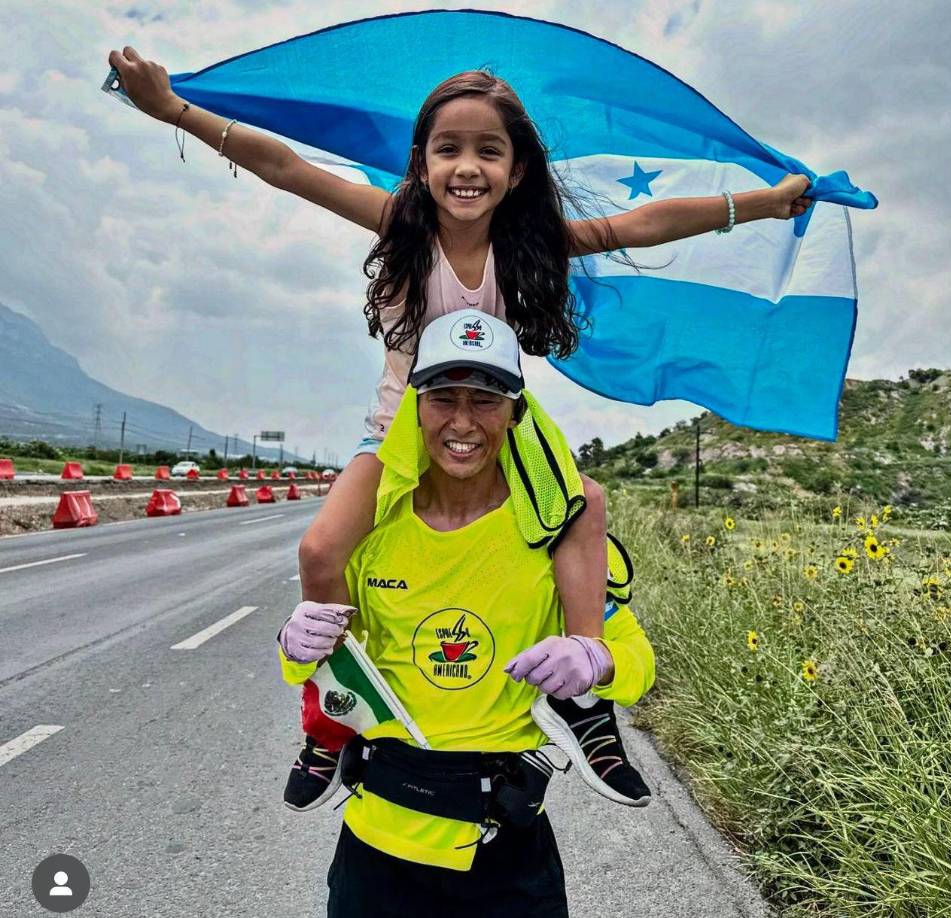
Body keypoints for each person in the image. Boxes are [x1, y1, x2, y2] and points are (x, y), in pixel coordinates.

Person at [105, 46, 811, 803]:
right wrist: (173, 111)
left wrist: (762, 204)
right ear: (420, 163)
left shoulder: (534, 243)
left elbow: (643, 223)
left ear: (515, 170)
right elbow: (283, 166)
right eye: (448, 148)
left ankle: (582, 695)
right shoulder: (398, 226)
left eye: (487, 150)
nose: (466, 166)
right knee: (320, 550)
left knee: (587, 508)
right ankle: (331, 722)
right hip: (402, 423)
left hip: (503, 420)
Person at [276, 311, 657, 916]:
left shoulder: (552, 530)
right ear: (414, 407)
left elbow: (635, 661)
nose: (461, 422)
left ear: (514, 412)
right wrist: (293, 643)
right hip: (376, 851)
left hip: (506, 858)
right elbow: (325, 671)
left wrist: (595, 658)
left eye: (484, 400)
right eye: (443, 398)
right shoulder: (374, 526)